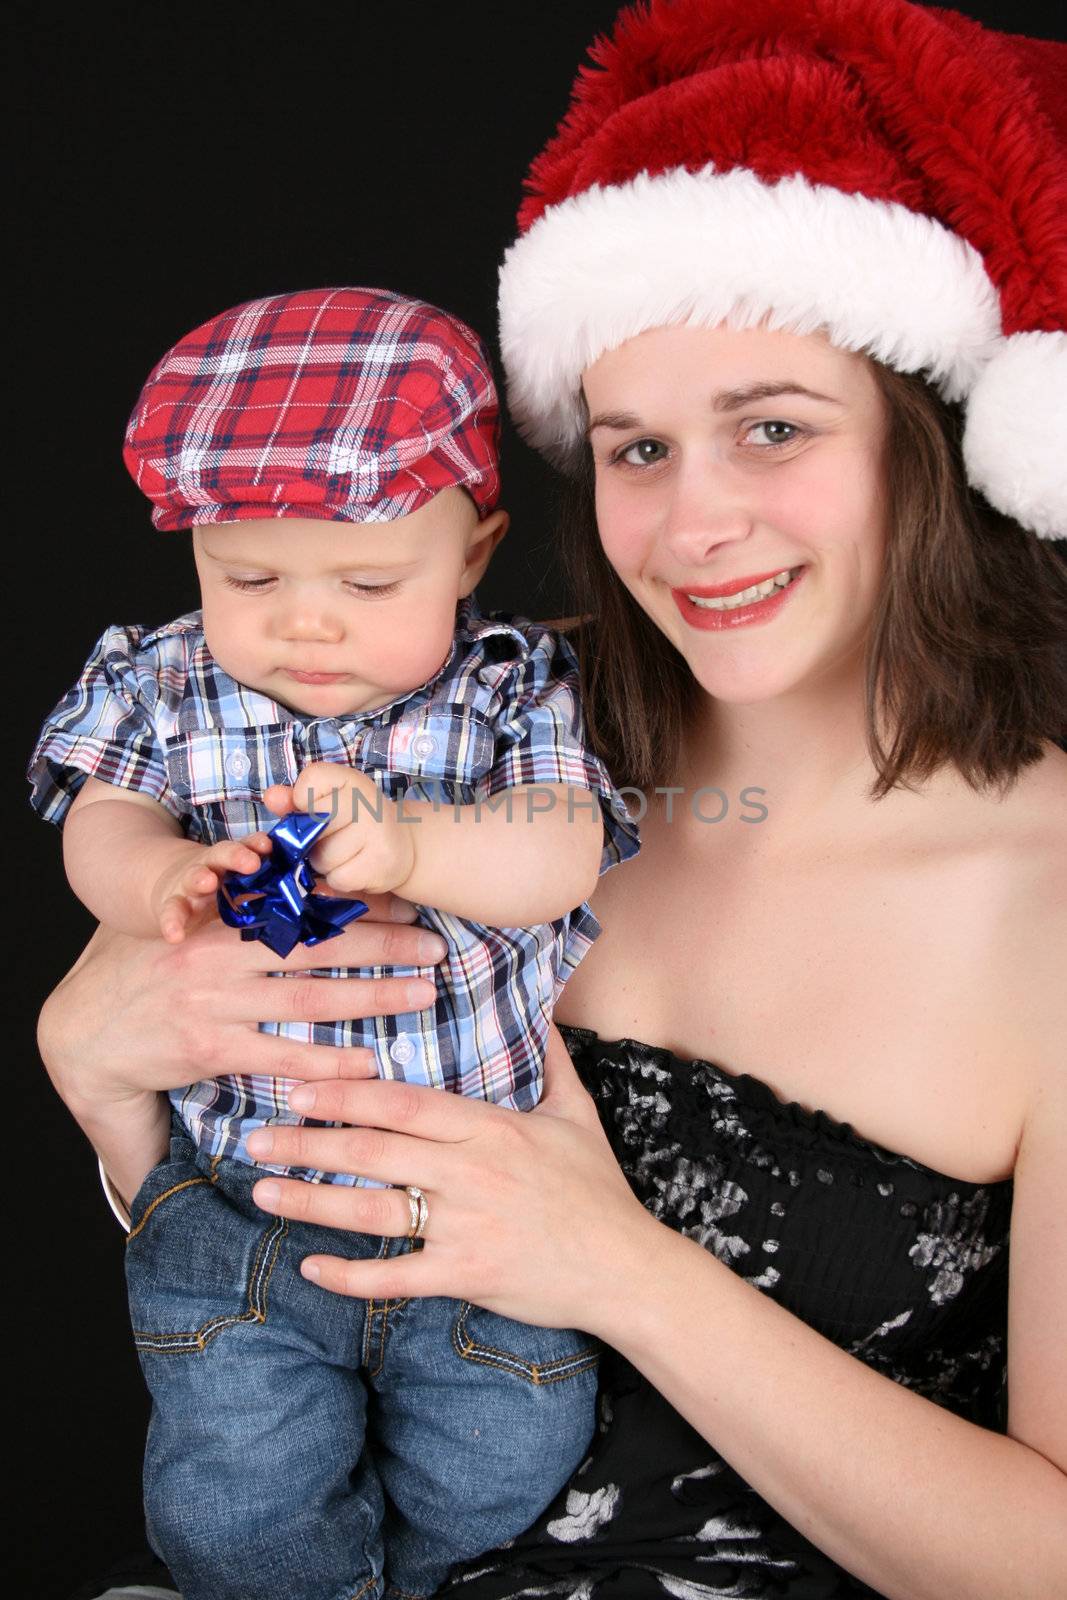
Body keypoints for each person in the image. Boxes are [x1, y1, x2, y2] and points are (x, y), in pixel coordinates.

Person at [39, 1, 1067, 1597]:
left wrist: (625, 1273)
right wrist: (113, 1105)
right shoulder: (464, 726)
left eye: (774, 429)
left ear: (923, 442)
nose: (695, 523)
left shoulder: (1052, 892)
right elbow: (292, 1265)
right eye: (636, 448)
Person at [28, 286, 638, 1600]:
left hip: (476, 1210)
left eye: (368, 582)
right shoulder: (162, 681)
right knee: (237, 1505)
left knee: (504, 1470)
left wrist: (419, 848)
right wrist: (160, 880)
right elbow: (101, 821)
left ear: (473, 554)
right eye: (248, 577)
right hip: (243, 1207)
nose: (305, 623)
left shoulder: (507, 686)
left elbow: (560, 848)